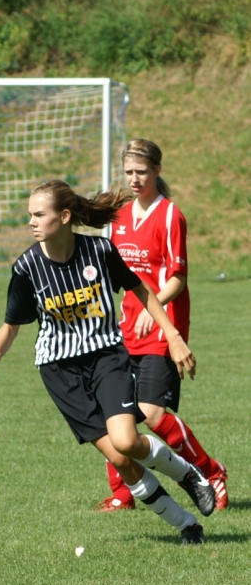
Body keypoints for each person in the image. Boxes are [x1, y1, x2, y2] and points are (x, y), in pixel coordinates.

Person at [0, 180, 216, 545]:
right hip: (59, 371)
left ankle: (189, 475)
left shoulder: (100, 250)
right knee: (120, 460)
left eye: (39, 214)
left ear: (65, 216)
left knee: (127, 441)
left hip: (106, 356)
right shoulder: (27, 267)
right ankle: (186, 524)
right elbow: (11, 324)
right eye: (30, 215)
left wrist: (171, 333)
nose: (32, 222)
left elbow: (140, 289)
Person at [96, 139, 228, 513]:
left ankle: (211, 472)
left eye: (141, 172)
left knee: (151, 414)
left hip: (160, 327)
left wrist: (149, 309)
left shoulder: (171, 216)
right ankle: (123, 493)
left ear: (157, 170)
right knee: (115, 410)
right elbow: (114, 274)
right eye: (128, 172)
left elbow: (178, 278)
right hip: (124, 329)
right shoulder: (119, 218)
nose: (134, 179)